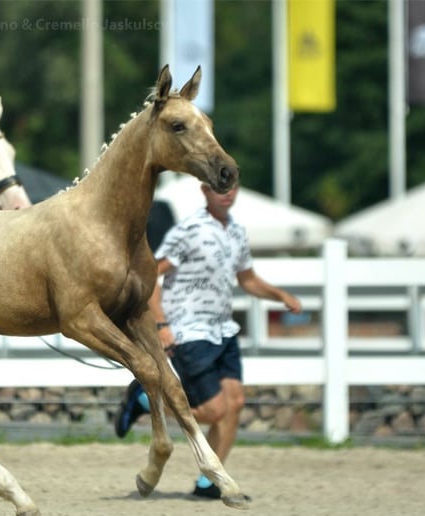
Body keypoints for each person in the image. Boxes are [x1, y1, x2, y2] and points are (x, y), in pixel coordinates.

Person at [114, 181, 303, 499]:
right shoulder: (188, 230)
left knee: (235, 404)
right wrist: (161, 324)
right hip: (190, 330)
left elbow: (248, 279)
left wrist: (279, 295)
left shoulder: (237, 231)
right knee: (213, 411)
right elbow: (152, 275)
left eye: (232, 186)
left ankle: (209, 483)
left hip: (223, 330)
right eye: (219, 187)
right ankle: (145, 401)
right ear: (205, 191)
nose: (227, 192)